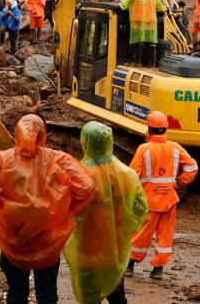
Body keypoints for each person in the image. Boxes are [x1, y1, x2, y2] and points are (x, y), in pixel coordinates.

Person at [0, 115, 94, 304]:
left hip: (13, 237)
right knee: (47, 294)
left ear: (18, 133)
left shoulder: (3, 159)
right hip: (48, 240)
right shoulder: (58, 158)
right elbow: (86, 187)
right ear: (43, 135)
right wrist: (65, 209)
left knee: (16, 293)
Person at [66, 122, 148, 304]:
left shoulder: (78, 174)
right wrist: (129, 225)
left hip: (87, 248)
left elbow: (66, 209)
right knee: (117, 296)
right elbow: (141, 206)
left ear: (85, 142)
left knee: (89, 298)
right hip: (116, 247)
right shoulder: (126, 174)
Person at [128, 111, 198, 279]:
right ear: (165, 129)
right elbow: (192, 167)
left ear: (149, 129)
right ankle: (158, 270)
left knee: (140, 234)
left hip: (149, 201)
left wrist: (132, 195)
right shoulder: (175, 147)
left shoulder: (143, 149)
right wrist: (179, 183)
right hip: (169, 200)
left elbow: (132, 175)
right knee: (165, 236)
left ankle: (129, 266)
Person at [120, 0, 167, 66]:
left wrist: (122, 5)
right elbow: (159, 5)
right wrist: (165, 9)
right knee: (151, 41)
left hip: (137, 20)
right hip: (150, 21)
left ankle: (137, 62)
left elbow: (124, 5)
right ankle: (151, 64)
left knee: (136, 41)